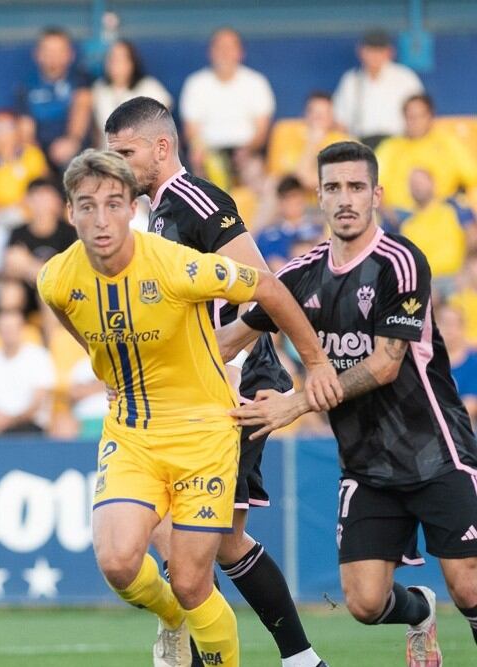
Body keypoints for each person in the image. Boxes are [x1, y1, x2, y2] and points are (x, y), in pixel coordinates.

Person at [37, 148, 337, 667]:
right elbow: (74, 318)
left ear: (133, 207)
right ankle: (172, 617)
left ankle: (289, 652)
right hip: (132, 432)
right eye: (87, 206)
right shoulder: (57, 278)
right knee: (117, 562)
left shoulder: (176, 265)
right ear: (70, 212)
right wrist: (108, 366)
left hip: (204, 431)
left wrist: (315, 364)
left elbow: (265, 284)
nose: (101, 219)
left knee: (194, 577)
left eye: (113, 204)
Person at [226, 140, 477, 667]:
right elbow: (231, 338)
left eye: (356, 187)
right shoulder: (300, 276)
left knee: (470, 586)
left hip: (437, 453)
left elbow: (386, 365)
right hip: (366, 466)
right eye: (334, 187)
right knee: (364, 603)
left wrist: (293, 404)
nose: (345, 198)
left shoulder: (401, 262)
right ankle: (419, 613)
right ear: (318, 196)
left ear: (377, 195)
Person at [105, 96, 329, 667]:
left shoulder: (199, 201)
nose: (118, 165)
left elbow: (264, 285)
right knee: (207, 538)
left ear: (161, 147)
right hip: (194, 388)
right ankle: (290, 657)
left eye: (125, 153)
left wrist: (227, 350)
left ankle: (219, 646)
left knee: (199, 541)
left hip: (236, 384)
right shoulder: (153, 212)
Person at [178, 27, 275, 179]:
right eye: (219, 47)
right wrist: (203, 153)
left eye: (230, 48)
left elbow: (262, 130)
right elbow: (191, 130)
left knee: (256, 173)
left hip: (246, 153)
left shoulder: (256, 82)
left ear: (241, 53)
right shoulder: (195, 84)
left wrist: (247, 151)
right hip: (209, 155)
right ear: (210, 52)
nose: (225, 53)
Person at [375, 94, 477, 213]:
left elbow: (472, 176)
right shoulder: (390, 147)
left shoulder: (447, 142)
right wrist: (385, 211)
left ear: (430, 116)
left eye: (420, 116)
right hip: (399, 217)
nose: (415, 122)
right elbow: (373, 185)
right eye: (410, 117)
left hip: (441, 213)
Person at [0, 307, 56, 435]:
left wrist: (9, 420)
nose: (9, 333)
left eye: (13, 328)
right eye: (5, 329)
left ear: (22, 329)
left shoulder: (39, 357)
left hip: (29, 429)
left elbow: (38, 402)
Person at [16, 26, 93, 170]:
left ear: (70, 54)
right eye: (48, 50)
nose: (53, 56)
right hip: (41, 153)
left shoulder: (80, 80)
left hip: (75, 151)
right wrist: (37, 160)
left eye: (59, 51)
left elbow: (82, 109)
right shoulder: (27, 86)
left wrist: (72, 140)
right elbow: (26, 132)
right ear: (37, 54)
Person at [332, 29, 424, 148]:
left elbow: (420, 114)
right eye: (370, 50)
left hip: (398, 144)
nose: (375, 55)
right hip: (361, 146)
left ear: (390, 52)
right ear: (361, 52)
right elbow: (340, 120)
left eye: (380, 50)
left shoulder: (405, 78)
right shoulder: (351, 80)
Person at [392, 168, 472, 292]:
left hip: (457, 276)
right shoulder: (407, 225)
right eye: (413, 184)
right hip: (428, 284)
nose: (417, 187)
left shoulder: (452, 208)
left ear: (433, 183)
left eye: (421, 182)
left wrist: (465, 269)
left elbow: (472, 237)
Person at [90, 39, 171, 147]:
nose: (115, 64)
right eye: (112, 59)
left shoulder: (149, 87)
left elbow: (163, 120)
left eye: (121, 59)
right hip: (108, 157)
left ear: (132, 63)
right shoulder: (99, 89)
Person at [267, 92, 351, 190]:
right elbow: (276, 178)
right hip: (285, 200)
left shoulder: (342, 142)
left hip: (319, 203)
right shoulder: (284, 130)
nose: (318, 119)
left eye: (323, 115)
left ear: (332, 118)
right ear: (305, 113)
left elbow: (305, 180)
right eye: (314, 112)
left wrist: (312, 143)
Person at [0, 108, 49, 209]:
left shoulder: (32, 154)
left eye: (8, 127)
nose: (2, 133)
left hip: (31, 211)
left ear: (18, 129)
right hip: (0, 214)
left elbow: (40, 187)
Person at [255, 176, 324, 271]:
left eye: (295, 197)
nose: (292, 203)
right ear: (280, 202)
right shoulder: (266, 237)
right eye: (287, 198)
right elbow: (272, 265)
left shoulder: (319, 230)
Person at [437, 303, 477, 425]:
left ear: (462, 327)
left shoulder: (473, 363)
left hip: (461, 431)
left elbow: (469, 407)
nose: (449, 329)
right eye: (444, 323)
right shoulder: (427, 363)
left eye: (453, 324)